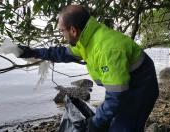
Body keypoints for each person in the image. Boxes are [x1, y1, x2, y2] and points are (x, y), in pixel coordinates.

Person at [18, 5, 159, 132]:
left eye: (62, 31)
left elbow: (116, 96)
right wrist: (33, 52)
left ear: (73, 30)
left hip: (142, 88)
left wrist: (96, 123)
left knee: (123, 127)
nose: (62, 35)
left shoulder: (106, 49)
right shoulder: (86, 40)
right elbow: (61, 53)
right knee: (111, 122)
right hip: (127, 84)